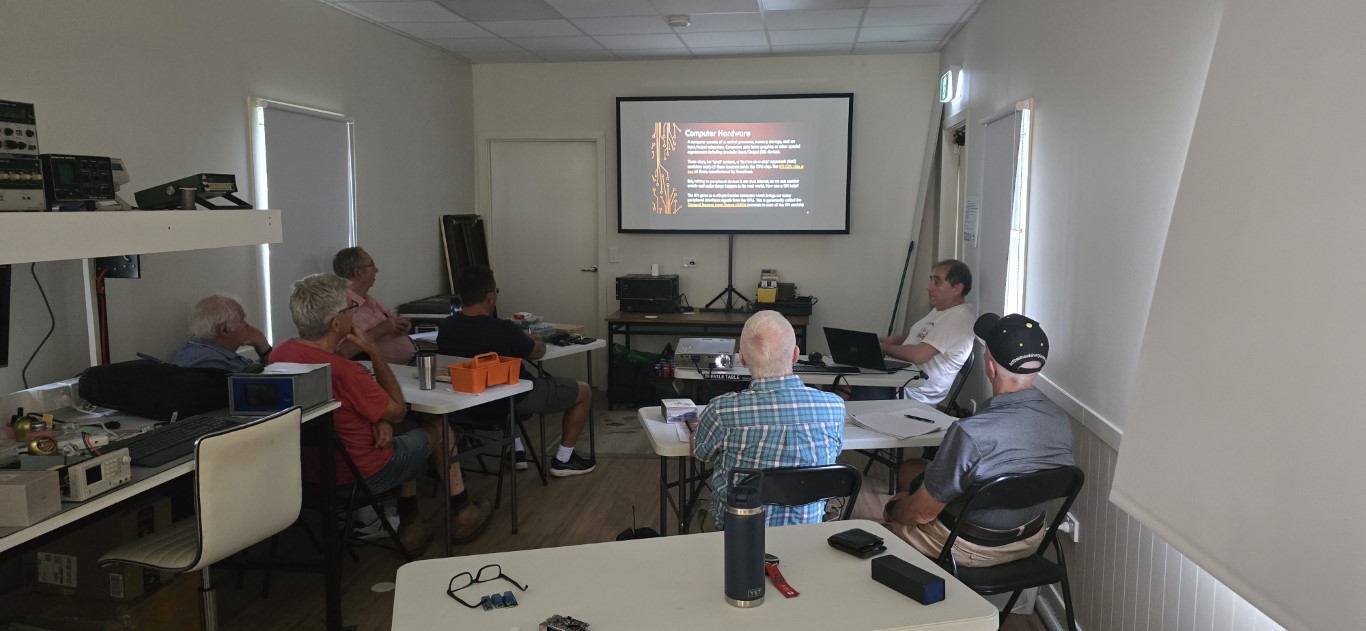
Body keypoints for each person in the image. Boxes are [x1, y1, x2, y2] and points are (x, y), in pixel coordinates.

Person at [270, 273, 491, 553]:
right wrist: (374, 352)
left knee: (404, 428)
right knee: (438, 427)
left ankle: (411, 525)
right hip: (362, 474)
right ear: (336, 323)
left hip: (306, 473)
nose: (354, 315)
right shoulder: (347, 373)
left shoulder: (280, 354)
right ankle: (459, 511)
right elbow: (397, 410)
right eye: (350, 310)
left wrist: (380, 418)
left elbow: (360, 408)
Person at [884, 313, 1073, 568]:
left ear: (990, 367)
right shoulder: (1059, 421)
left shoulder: (971, 433)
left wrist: (893, 509)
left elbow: (921, 513)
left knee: (886, 526)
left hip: (968, 545)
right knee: (913, 470)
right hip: (1031, 539)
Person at [436, 265, 597, 477]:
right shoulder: (502, 329)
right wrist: (534, 338)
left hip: (466, 405)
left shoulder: (446, 328)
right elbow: (537, 352)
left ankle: (516, 450)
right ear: (490, 297)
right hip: (511, 400)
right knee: (584, 391)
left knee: (497, 383)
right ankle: (564, 459)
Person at [692, 310, 845, 529]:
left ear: (742, 358)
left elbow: (700, 452)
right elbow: (834, 454)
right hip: (807, 534)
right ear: (795, 354)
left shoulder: (721, 410)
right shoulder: (834, 407)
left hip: (736, 537)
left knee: (696, 514)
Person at [875, 259, 977, 405]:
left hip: (911, 393)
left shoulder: (958, 317)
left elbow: (918, 355)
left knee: (843, 381)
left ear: (957, 288)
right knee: (844, 373)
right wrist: (882, 341)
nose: (929, 287)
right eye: (931, 280)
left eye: (937, 282)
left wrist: (882, 347)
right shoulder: (941, 310)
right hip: (901, 379)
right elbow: (916, 338)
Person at [332, 247, 417, 365]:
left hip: (409, 365)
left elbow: (389, 323)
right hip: (384, 373)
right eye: (372, 265)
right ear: (358, 272)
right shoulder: (343, 307)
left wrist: (399, 326)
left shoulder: (368, 299)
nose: (376, 270)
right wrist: (382, 328)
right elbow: (341, 352)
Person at [171, 294, 272, 371]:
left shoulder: (200, 350)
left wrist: (262, 344)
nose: (246, 325)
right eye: (242, 320)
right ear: (224, 329)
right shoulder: (209, 363)